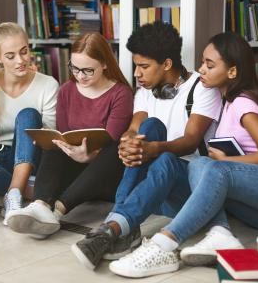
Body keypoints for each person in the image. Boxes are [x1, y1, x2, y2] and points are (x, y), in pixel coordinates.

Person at [107, 32, 258, 278]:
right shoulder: (227, 101)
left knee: (211, 166)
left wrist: (225, 161)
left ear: (232, 72)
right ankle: (220, 233)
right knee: (200, 165)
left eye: (209, 65)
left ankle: (163, 244)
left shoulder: (244, 102)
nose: (201, 70)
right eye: (202, 62)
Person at [71, 22, 223, 270]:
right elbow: (135, 128)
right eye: (135, 66)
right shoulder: (144, 91)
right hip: (153, 190)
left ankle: (115, 226)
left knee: (165, 158)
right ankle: (120, 227)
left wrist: (153, 150)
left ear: (166, 64)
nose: (137, 74)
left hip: (191, 191)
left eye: (144, 66)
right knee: (150, 126)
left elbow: (190, 141)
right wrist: (127, 144)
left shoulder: (201, 89)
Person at [6, 32, 134, 238]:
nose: (80, 76)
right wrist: (66, 147)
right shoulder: (66, 90)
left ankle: (56, 211)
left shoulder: (120, 93)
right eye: (74, 68)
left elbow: (110, 140)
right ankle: (40, 206)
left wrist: (89, 156)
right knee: (54, 144)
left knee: (115, 147)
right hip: (72, 168)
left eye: (88, 70)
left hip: (104, 173)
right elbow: (65, 134)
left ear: (104, 64)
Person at [0, 22, 59, 224]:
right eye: (10, 56)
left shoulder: (48, 84)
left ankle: (14, 195)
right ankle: (30, 189)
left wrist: (39, 136)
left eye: (24, 52)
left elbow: (50, 138)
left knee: (28, 114)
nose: (21, 60)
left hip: (30, 157)